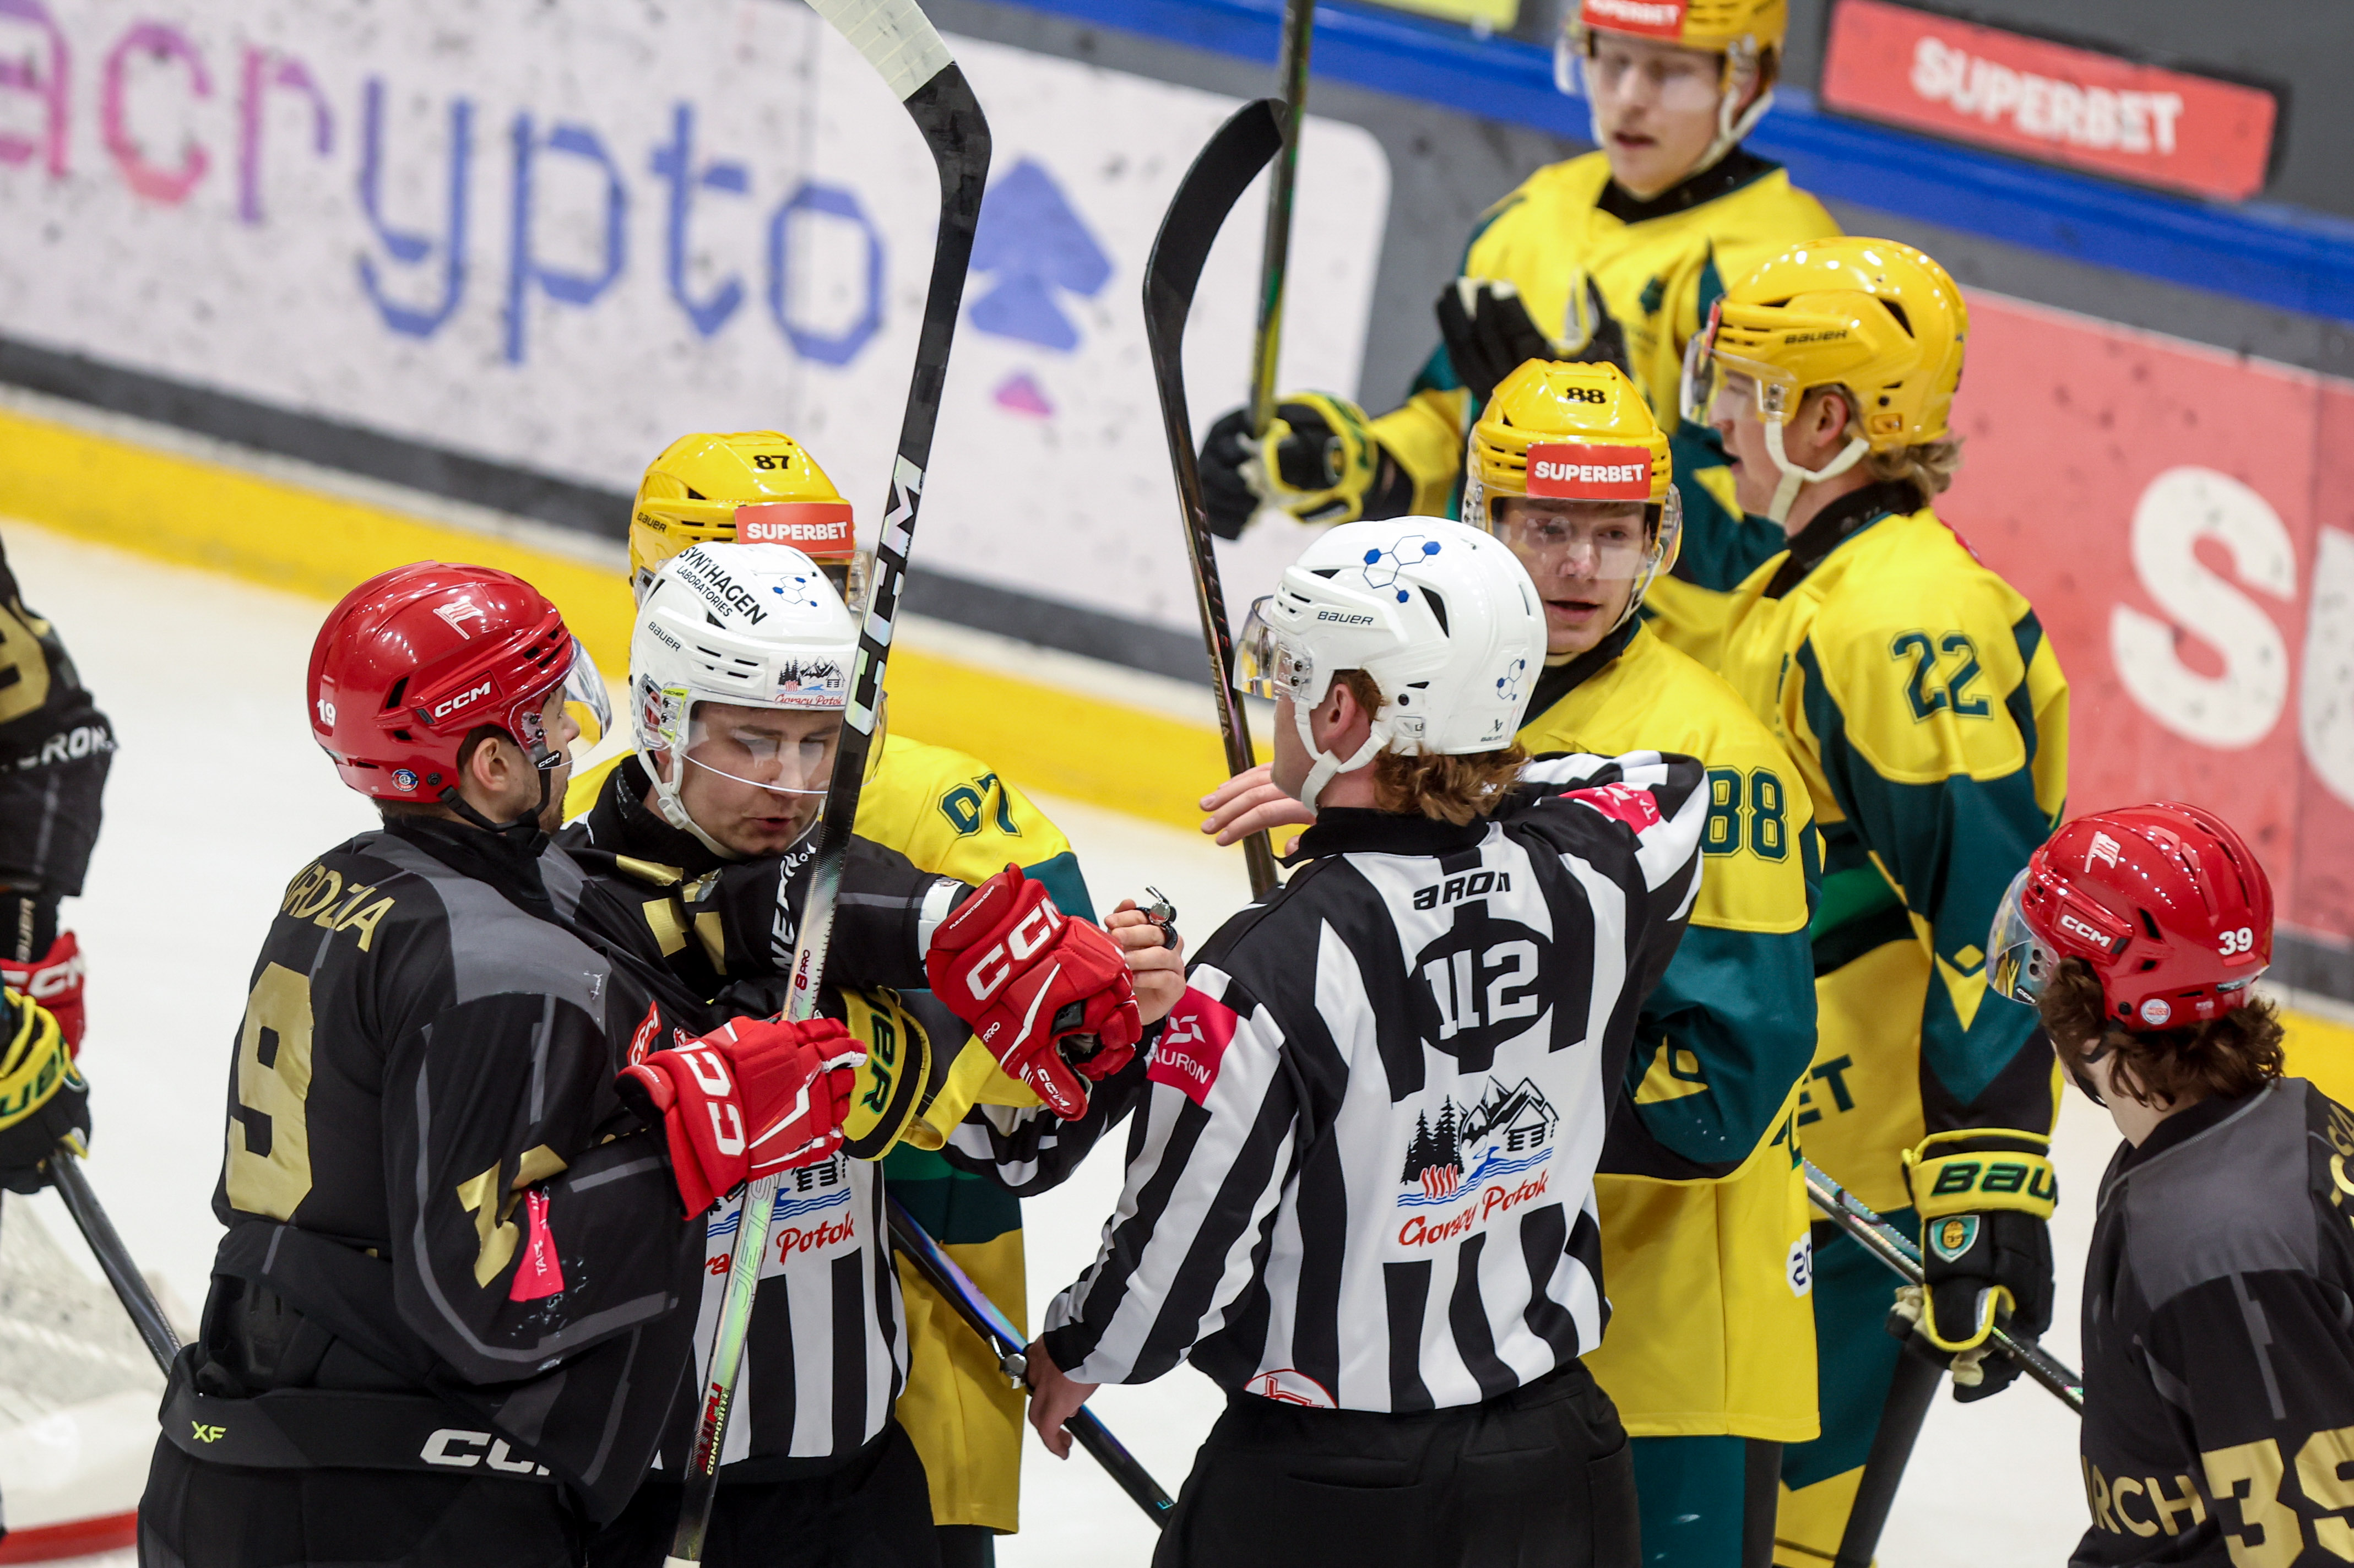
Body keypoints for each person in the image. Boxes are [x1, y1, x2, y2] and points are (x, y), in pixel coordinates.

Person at [1199, 361, 1819, 1566]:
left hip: (1670, 1345)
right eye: (1547, 526)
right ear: (1484, 519)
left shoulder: (1713, 752)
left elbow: (1723, 1089)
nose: (1580, 565)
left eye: (1613, 531)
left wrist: (1421, 1110)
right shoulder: (1433, 709)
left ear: (1656, 538)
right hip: (1493, 1332)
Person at [138, 563, 861, 1568]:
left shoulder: (344, 883)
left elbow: (656, 915)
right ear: (489, 763)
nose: (569, 734)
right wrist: (693, 1137)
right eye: (547, 716)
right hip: (391, 1508)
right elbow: (483, 1300)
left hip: (231, 1459)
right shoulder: (503, 961)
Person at [1026, 515, 1709, 1568]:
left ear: (1340, 711)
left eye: (1295, 675)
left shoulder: (1260, 969)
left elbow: (1170, 1272)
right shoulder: (1592, 876)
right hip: (1558, 1467)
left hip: (1329, 1492)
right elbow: (1666, 780)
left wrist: (1077, 1349)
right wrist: (1458, 768)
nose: (1279, 699)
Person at [566, 540, 1179, 1567]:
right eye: (754, 741)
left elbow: (1008, 1144)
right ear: (664, 720)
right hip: (629, 1481)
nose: (793, 782)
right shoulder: (562, 891)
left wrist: (1112, 1027)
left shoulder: (853, 888)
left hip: (849, 1478)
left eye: (821, 743)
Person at [1687, 237, 2071, 1564]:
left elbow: (1998, 913)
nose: (1722, 422)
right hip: (1776, 1165)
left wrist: (1986, 1184)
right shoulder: (1799, 587)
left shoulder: (1902, 616)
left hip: (1859, 1198)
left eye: (1747, 393)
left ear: (1827, 421)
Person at [1196, 0, 1832, 668]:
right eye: (1612, 61)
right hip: (1492, 659)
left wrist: (1583, 444)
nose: (1628, 98)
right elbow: (1456, 428)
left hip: (1669, 678)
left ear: (1746, 81)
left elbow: (1769, 530)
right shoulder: (1527, 219)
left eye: (1668, 73)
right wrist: (1346, 459)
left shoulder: (1785, 266)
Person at [1983, 801, 2354, 1568]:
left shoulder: (2216, 1246)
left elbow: (2310, 1545)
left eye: (2043, 967)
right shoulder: (2263, 1130)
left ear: (2085, 1000)